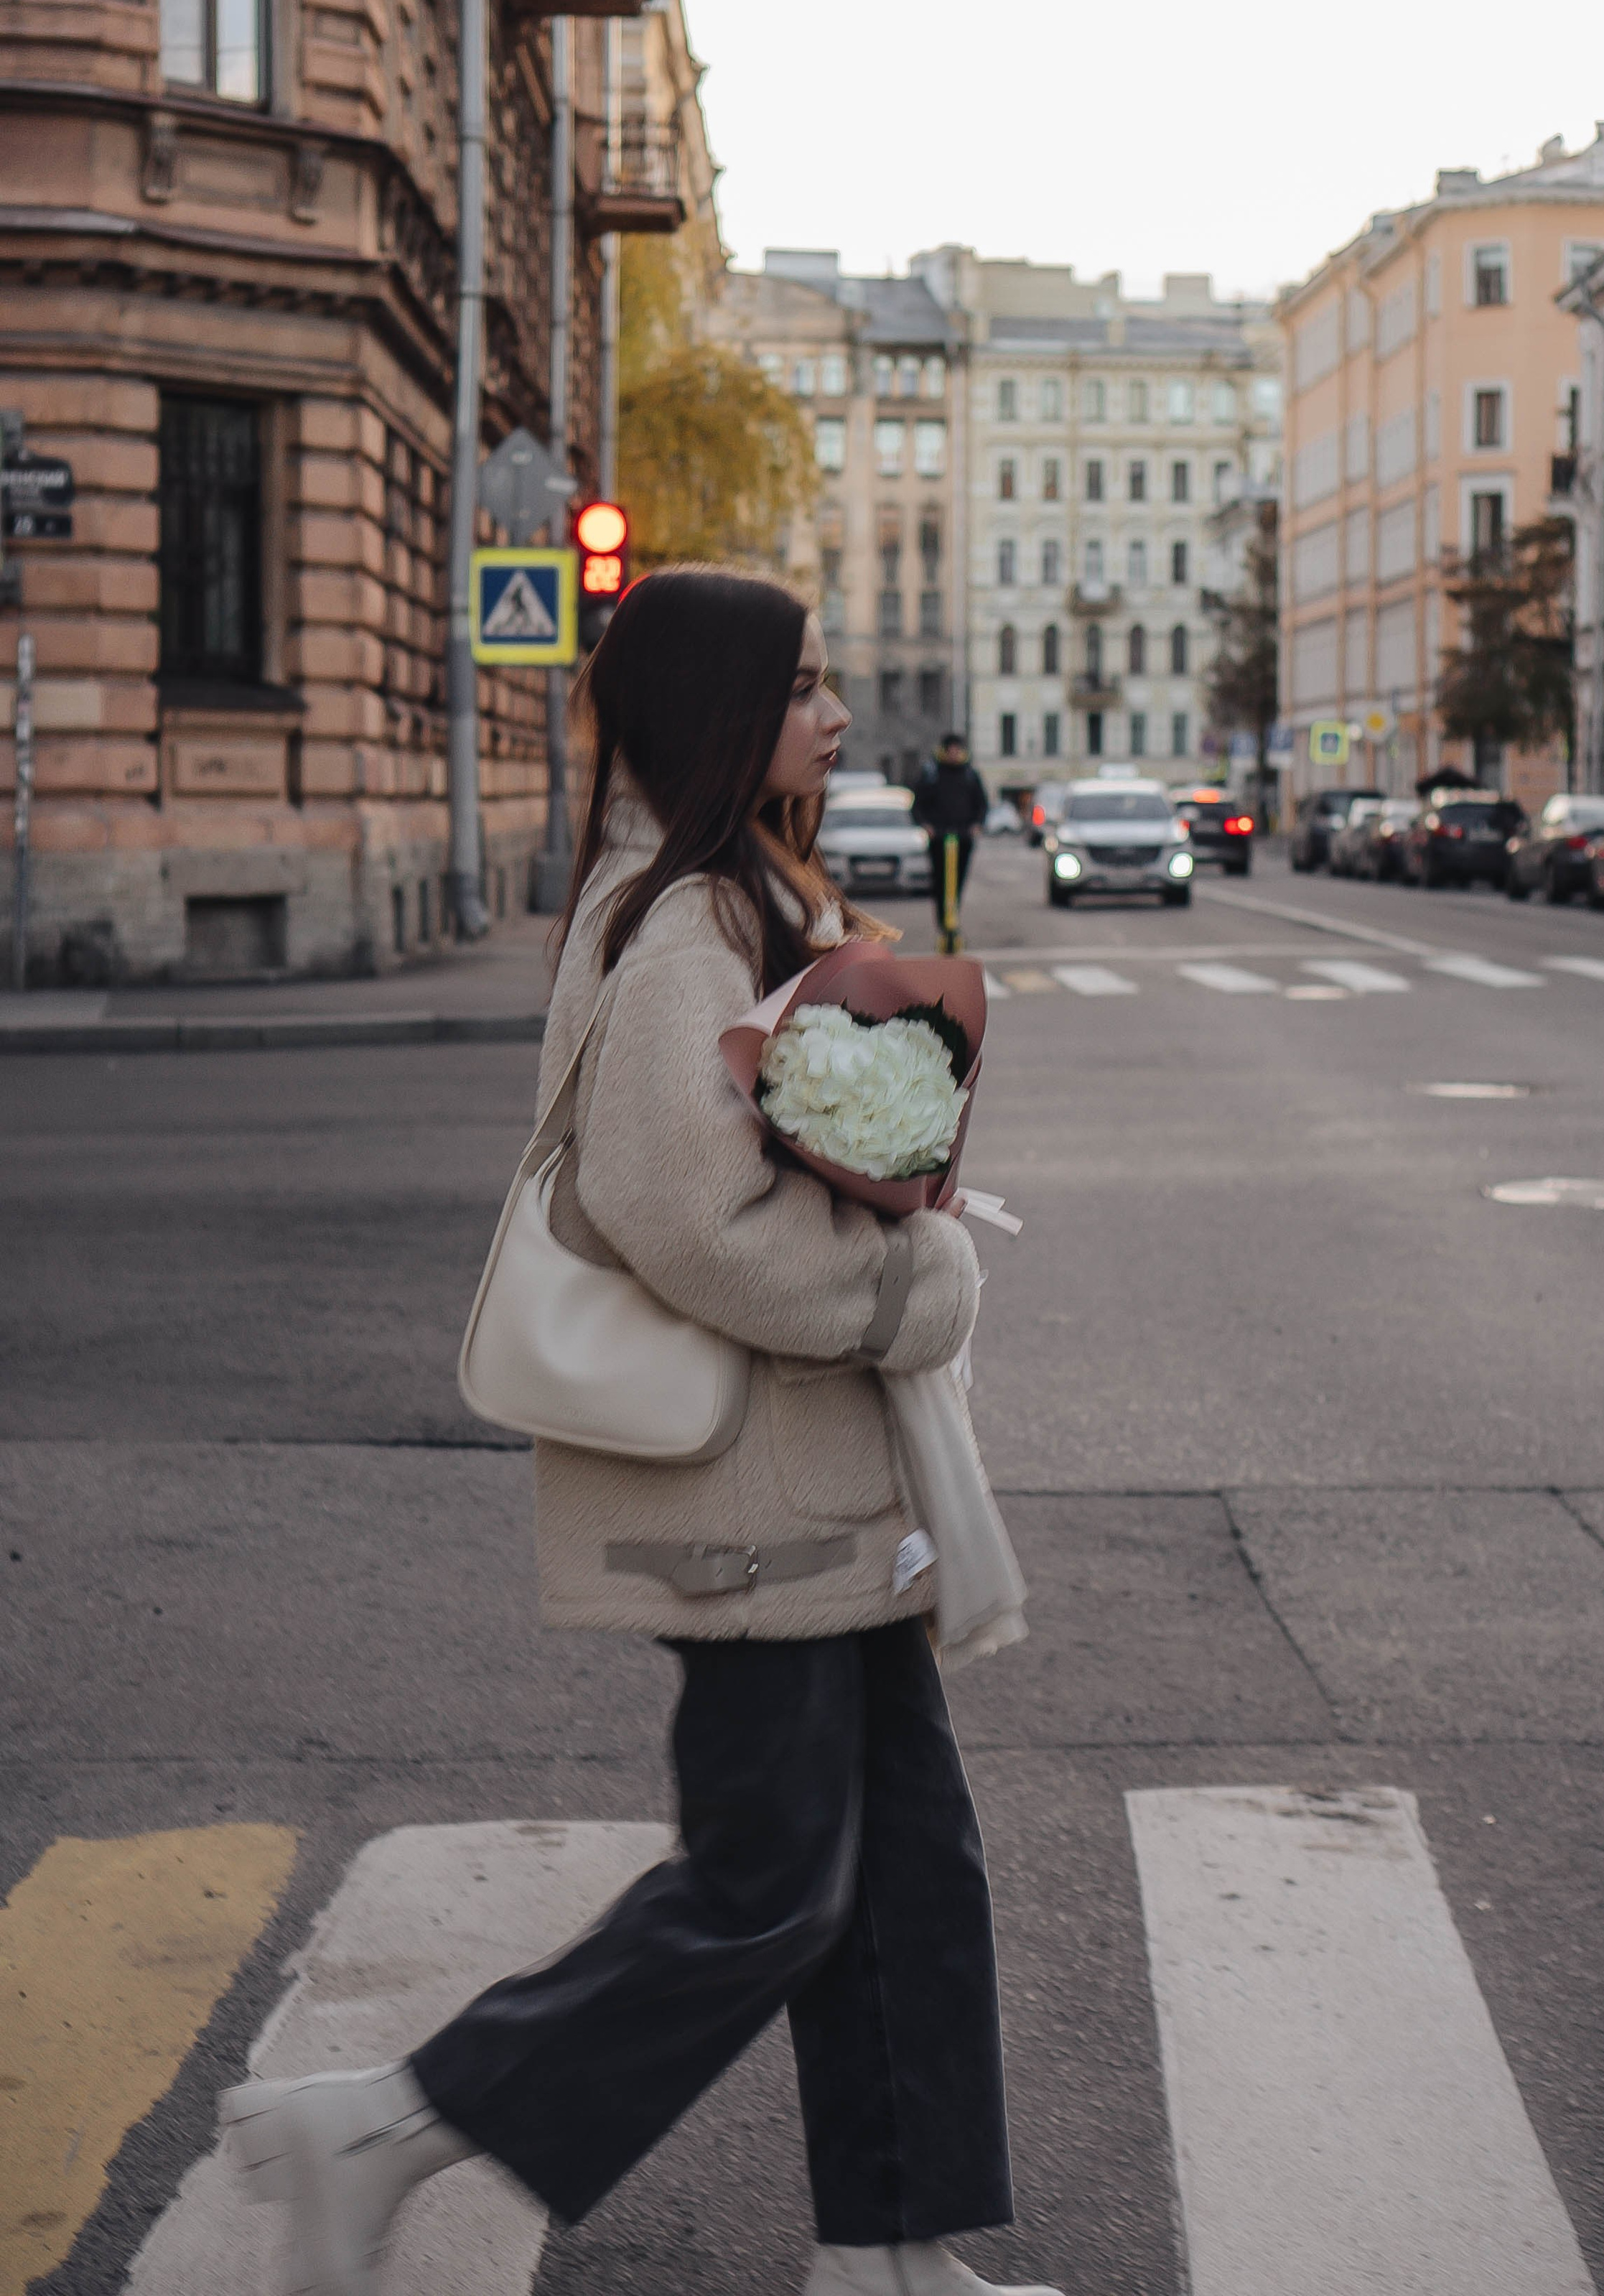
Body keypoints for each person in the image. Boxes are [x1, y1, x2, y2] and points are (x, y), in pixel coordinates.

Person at [219, 567, 1058, 2296]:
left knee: (904, 1871)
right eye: (804, 684)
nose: (834, 713)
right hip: (748, 1491)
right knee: (767, 1888)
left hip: (822, 1482)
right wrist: (908, 1284)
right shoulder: (678, 928)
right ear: (719, 715)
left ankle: (887, 2257)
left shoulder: (741, 899)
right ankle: (376, 2123)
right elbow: (677, 1214)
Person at [913, 733, 989, 939]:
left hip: (963, 838)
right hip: (939, 839)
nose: (954, 754)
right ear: (945, 751)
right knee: (940, 882)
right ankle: (943, 922)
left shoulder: (970, 775)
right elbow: (918, 805)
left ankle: (952, 917)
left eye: (957, 749)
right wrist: (927, 826)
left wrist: (976, 825)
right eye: (951, 750)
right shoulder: (932, 774)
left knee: (958, 881)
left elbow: (981, 805)